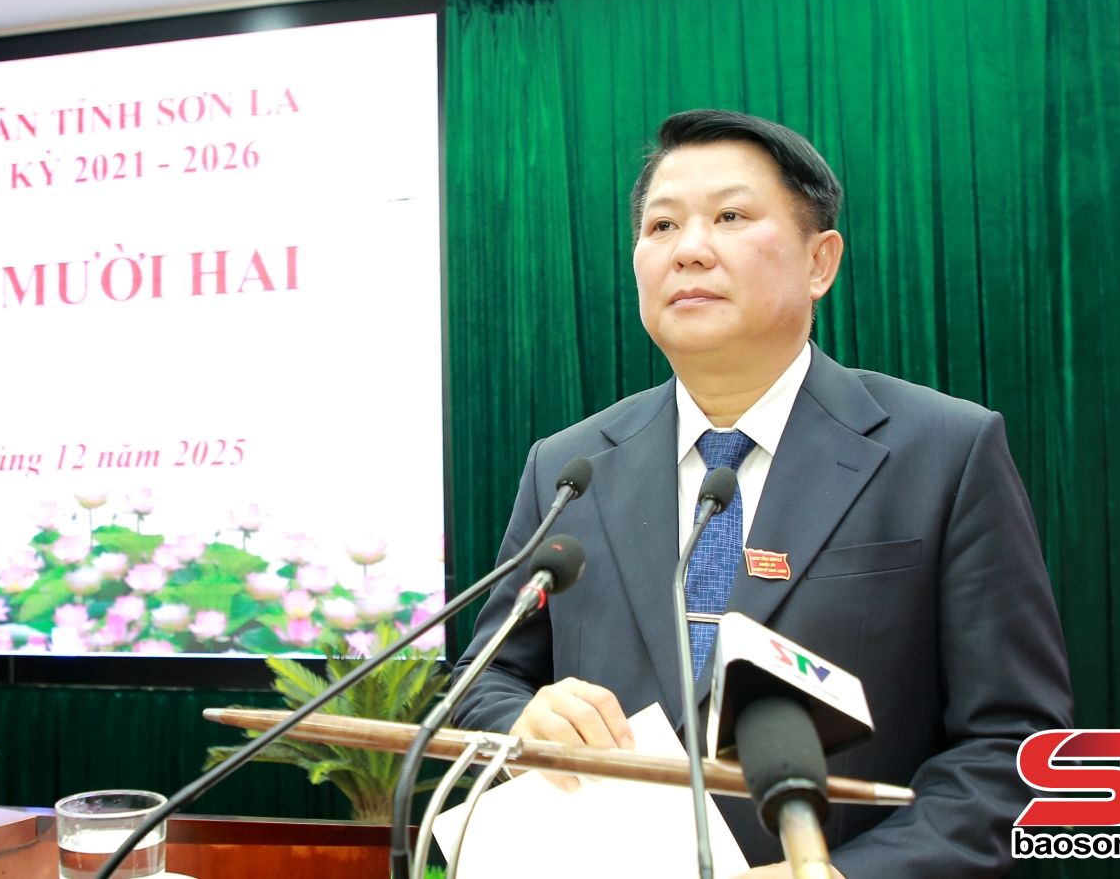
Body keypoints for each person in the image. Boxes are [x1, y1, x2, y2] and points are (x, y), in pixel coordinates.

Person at [451, 110, 1073, 877]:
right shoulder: (569, 467)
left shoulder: (944, 451)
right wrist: (526, 719)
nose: (689, 249)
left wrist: (838, 874)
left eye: (731, 217)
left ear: (820, 261)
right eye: (662, 225)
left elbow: (1015, 744)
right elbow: (484, 680)